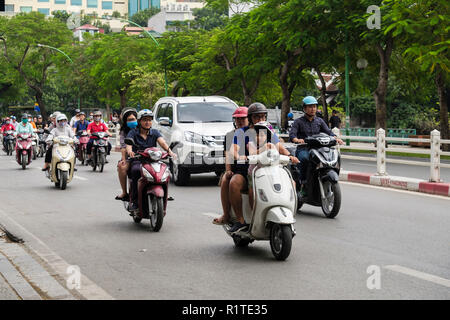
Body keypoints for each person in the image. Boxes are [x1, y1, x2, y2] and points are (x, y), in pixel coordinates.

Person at [230, 103, 299, 233]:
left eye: (263, 116)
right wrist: (239, 156)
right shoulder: (241, 132)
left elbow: (278, 146)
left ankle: (289, 216)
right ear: (250, 118)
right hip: (248, 169)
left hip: (270, 168)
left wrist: (290, 156)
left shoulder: (268, 130)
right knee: (235, 184)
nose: (260, 120)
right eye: (257, 117)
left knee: (292, 183)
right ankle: (241, 221)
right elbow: (234, 150)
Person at [289, 96, 344, 196]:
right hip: (304, 148)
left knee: (331, 157)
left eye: (314, 106)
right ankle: (303, 185)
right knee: (305, 159)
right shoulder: (298, 122)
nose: (313, 109)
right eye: (310, 107)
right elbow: (292, 134)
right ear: (304, 108)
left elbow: (328, 132)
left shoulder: (319, 121)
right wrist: (296, 139)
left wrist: (336, 138)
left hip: (318, 149)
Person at [125, 109, 176, 212]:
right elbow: (128, 145)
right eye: (145, 120)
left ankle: (165, 194)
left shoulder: (155, 132)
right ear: (139, 121)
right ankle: (134, 201)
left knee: (165, 171)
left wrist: (170, 152)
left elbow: (162, 143)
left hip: (153, 161)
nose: (147, 122)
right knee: (135, 171)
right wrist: (130, 152)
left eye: (149, 120)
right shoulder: (133, 132)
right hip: (138, 161)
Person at [212, 106, 249, 225]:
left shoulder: (258, 131)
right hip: (237, 169)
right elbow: (228, 155)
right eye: (237, 119)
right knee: (225, 179)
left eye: (243, 118)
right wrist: (228, 170)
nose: (240, 121)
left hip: (255, 168)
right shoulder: (230, 135)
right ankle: (227, 215)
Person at [115, 108, 138, 201]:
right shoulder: (124, 132)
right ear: (125, 121)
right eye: (129, 120)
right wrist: (124, 159)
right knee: (121, 166)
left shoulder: (143, 128)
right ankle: (124, 192)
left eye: (133, 119)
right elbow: (124, 147)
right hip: (131, 157)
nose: (132, 121)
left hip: (146, 156)